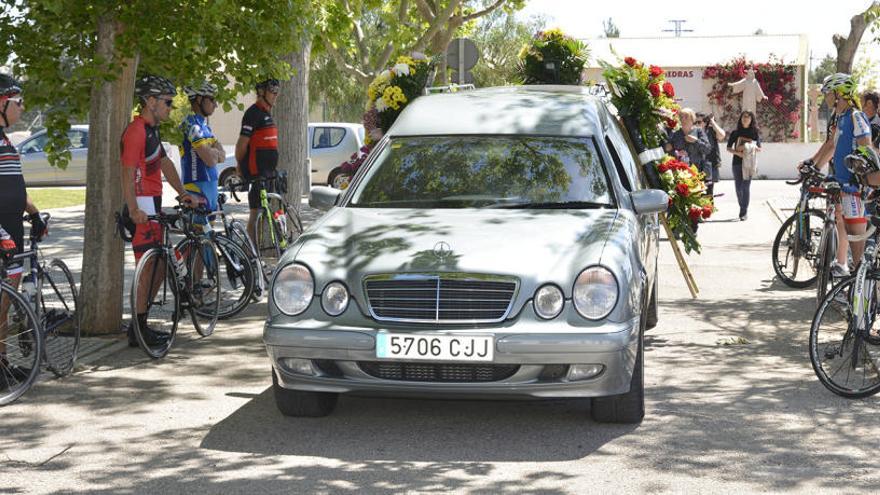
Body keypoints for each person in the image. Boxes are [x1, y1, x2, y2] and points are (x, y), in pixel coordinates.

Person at [121, 75, 195, 346]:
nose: (170, 107)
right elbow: (127, 172)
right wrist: (132, 209)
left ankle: (139, 325)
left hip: (152, 201)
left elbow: (164, 163)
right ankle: (138, 330)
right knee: (149, 265)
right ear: (150, 101)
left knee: (160, 267)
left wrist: (184, 193)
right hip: (141, 204)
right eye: (166, 102)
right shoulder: (136, 130)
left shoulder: (152, 130)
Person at [0, 74, 46, 388]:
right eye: (18, 102)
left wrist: (35, 213)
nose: (23, 107)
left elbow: (15, 186)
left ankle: (1, 363)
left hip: (13, 232)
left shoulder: (6, 141)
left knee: (2, 308)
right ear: (2, 103)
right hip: (2, 235)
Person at [808, 73, 874, 277]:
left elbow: (866, 147)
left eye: (828, 93)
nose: (825, 97)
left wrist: (858, 175)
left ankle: (860, 295)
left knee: (857, 243)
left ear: (839, 94)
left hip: (854, 187)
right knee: (845, 229)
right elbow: (832, 146)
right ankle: (854, 287)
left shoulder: (855, 116)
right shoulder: (840, 118)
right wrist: (814, 166)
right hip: (842, 184)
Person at [235, 78, 280, 244]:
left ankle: (257, 251)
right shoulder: (253, 113)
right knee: (255, 214)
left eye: (277, 92)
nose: (275, 95)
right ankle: (251, 253)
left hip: (269, 174)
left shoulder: (266, 113)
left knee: (264, 213)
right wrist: (240, 166)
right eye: (272, 91)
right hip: (256, 174)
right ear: (262, 92)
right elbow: (242, 144)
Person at [180, 81, 224, 223]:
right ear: (199, 99)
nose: (215, 104)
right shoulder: (191, 124)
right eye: (211, 99)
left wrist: (214, 152)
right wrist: (214, 151)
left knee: (208, 240)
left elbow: (222, 155)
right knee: (198, 239)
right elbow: (210, 160)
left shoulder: (204, 126)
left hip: (209, 186)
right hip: (197, 186)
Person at [665, 107, 712, 197]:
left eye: (686, 117)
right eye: (681, 117)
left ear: (692, 118)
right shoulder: (675, 134)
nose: (683, 119)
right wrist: (672, 151)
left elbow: (707, 149)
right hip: (681, 174)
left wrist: (696, 141)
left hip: (697, 173)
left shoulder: (698, 131)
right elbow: (669, 152)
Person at [726, 111, 761, 221]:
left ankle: (743, 212)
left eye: (748, 117)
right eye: (743, 117)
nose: (745, 119)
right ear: (741, 119)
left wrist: (749, 147)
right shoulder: (735, 133)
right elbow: (728, 148)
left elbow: (759, 148)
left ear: (751, 119)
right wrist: (738, 153)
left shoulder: (754, 133)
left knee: (745, 187)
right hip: (737, 162)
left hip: (749, 163)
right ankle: (742, 206)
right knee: (738, 187)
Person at [699, 112, 726, 198]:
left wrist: (713, 122)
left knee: (708, 191)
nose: (697, 124)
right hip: (696, 164)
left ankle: (708, 210)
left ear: (705, 123)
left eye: (700, 122)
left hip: (709, 165)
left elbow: (722, 135)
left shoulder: (710, 131)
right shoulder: (692, 131)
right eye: (696, 122)